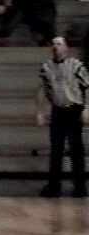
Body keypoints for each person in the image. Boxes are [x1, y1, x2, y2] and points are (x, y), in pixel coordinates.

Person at [37, 37, 89, 198]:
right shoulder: (46, 67)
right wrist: (40, 111)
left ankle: (79, 186)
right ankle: (54, 185)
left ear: (66, 47)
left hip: (74, 108)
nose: (56, 47)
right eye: (54, 44)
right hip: (58, 110)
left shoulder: (76, 65)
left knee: (76, 149)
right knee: (56, 149)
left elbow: (87, 87)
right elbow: (42, 90)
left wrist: (87, 108)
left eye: (59, 44)